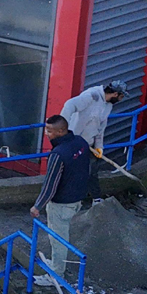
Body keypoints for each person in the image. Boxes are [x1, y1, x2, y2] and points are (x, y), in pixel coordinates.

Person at [30, 115, 92, 285]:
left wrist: (37, 206)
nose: (46, 134)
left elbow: (50, 184)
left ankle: (56, 275)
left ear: (60, 131)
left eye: (49, 131)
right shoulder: (81, 143)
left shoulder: (58, 154)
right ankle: (57, 264)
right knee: (61, 237)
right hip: (77, 199)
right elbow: (89, 169)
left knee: (58, 239)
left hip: (61, 203)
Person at [60, 80, 128, 200]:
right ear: (115, 94)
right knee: (69, 172)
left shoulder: (108, 105)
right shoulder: (91, 96)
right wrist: (62, 130)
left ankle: (96, 198)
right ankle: (65, 198)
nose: (121, 100)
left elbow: (100, 128)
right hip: (72, 143)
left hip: (89, 144)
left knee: (92, 172)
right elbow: (69, 105)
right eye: (121, 96)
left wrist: (99, 147)